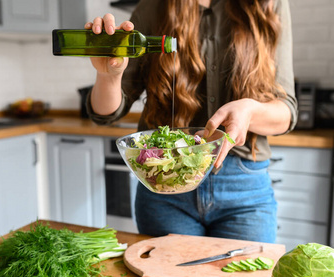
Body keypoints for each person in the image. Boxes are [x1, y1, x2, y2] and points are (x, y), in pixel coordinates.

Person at [85, 0, 297, 243]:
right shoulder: (152, 8)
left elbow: (286, 111)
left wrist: (250, 111)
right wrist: (107, 76)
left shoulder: (268, 4)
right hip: (164, 182)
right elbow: (106, 113)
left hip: (243, 188)